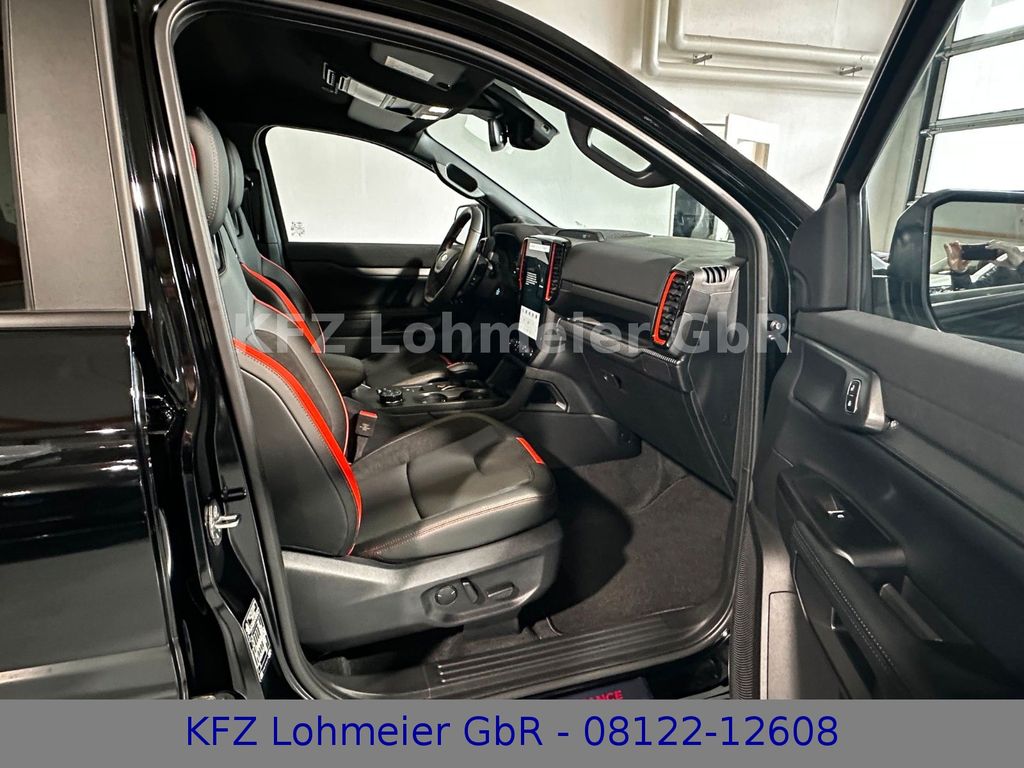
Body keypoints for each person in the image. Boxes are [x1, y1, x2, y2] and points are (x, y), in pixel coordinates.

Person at [944, 240, 1024, 290]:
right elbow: (970, 295)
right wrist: (959, 273)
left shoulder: (1018, 266)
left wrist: (1021, 264)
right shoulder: (1003, 272)